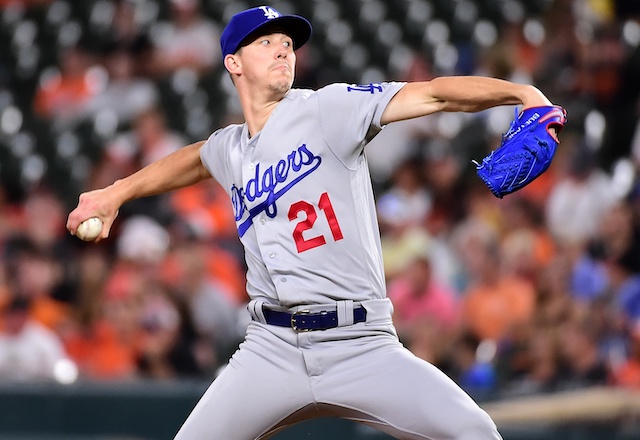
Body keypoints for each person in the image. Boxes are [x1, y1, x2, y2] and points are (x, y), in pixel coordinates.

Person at [67, 5, 563, 439]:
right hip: (271, 348)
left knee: (473, 432)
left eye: (288, 44)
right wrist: (115, 192)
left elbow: (432, 95)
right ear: (233, 63)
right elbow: (196, 158)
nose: (283, 51)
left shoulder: (329, 108)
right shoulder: (231, 147)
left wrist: (519, 92)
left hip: (361, 342)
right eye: (267, 44)